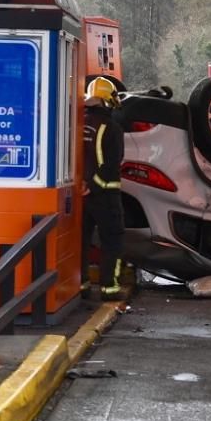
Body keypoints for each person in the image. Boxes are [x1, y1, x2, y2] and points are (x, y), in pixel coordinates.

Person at [81, 77, 125, 299]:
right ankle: (110, 288)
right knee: (113, 240)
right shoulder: (112, 128)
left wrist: (84, 186)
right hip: (105, 195)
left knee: (81, 241)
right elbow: (111, 164)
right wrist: (94, 186)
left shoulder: (78, 123)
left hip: (80, 195)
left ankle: (81, 286)